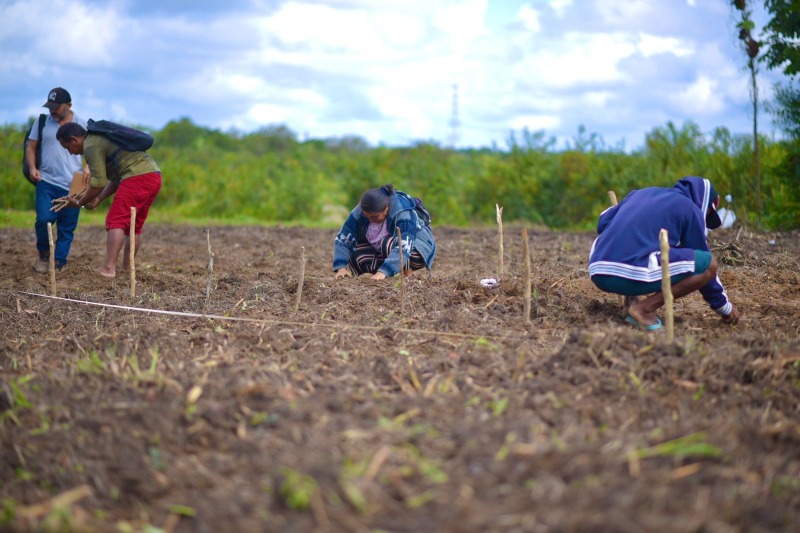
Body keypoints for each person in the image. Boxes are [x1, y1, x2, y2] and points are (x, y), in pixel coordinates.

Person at [588, 176, 740, 330]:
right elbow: (704, 266)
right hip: (628, 272)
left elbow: (603, 222)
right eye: (708, 214)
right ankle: (644, 309)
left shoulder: (638, 194)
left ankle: (630, 302)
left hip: (597, 267)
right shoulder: (689, 208)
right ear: (704, 201)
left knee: (644, 245)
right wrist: (724, 307)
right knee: (709, 264)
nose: (705, 220)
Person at [55, 122, 162, 278]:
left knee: (115, 221)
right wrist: (98, 199)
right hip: (153, 175)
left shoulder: (91, 145)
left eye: (67, 148)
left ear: (74, 139)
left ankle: (108, 268)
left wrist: (79, 202)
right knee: (133, 226)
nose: (70, 153)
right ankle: (127, 268)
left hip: (137, 178)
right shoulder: (98, 139)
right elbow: (116, 178)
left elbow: (98, 183)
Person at [25, 87, 88, 273]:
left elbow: (92, 151)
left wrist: (87, 167)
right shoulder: (43, 121)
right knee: (44, 219)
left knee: (67, 228)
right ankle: (44, 256)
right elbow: (31, 147)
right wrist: (32, 168)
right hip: (47, 181)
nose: (52, 110)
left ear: (68, 105)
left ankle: (59, 263)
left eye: (57, 107)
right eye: (50, 106)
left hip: (73, 184)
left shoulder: (82, 123)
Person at [333, 184, 435, 280]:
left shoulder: (402, 212)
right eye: (366, 216)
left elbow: (405, 246)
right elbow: (344, 237)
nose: (370, 219)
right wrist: (341, 268)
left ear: (386, 208)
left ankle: (408, 275)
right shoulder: (361, 211)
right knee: (356, 253)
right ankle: (376, 278)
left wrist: (383, 272)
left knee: (387, 243)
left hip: (414, 253)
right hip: (384, 252)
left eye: (374, 216)